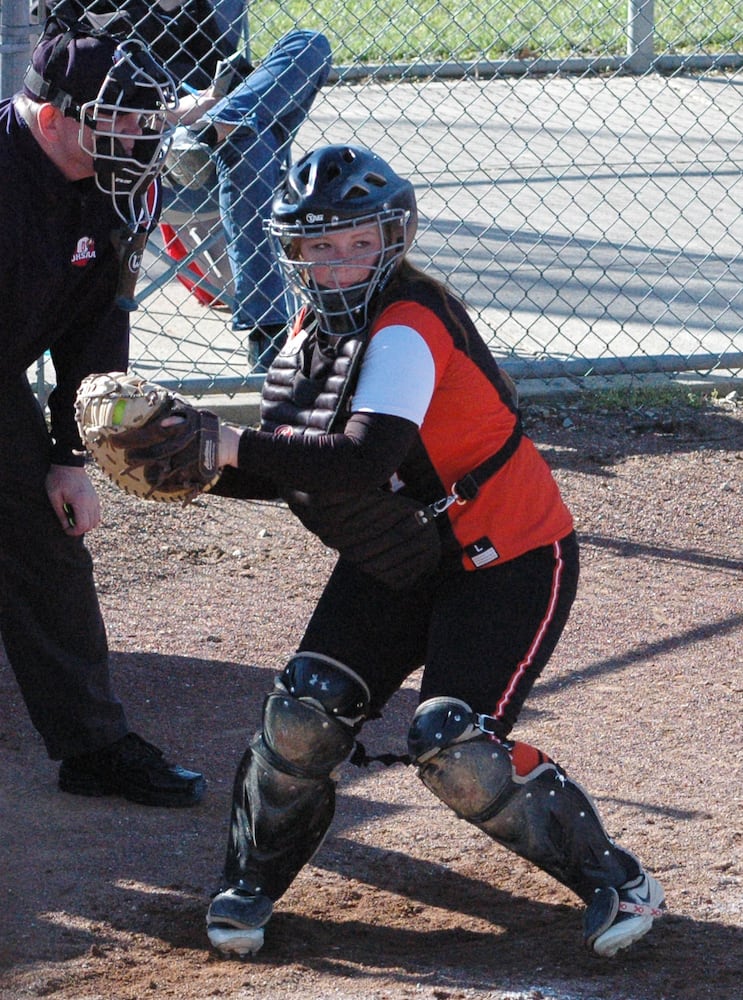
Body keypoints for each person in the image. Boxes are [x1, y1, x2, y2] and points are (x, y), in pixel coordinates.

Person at [180, 144, 663, 957]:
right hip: (400, 557)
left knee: (455, 743)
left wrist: (224, 446)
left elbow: (364, 458)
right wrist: (186, 466)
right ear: (291, 253)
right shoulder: (311, 330)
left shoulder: (409, 325)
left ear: (395, 239)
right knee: (304, 710)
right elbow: (301, 471)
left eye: (359, 242)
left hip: (506, 558)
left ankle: (614, 877)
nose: (340, 264)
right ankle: (250, 879)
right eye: (319, 246)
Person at [0, 11, 205, 806]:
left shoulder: (113, 186)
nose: (136, 138)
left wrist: (67, 454)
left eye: (145, 121)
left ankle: (94, 749)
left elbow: (95, 328)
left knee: (44, 540)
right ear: (50, 118)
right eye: (115, 121)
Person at [115, 1, 333, 370]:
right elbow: (107, 107)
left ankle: (223, 123)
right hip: (157, 156)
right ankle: (268, 335)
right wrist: (190, 108)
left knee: (310, 44)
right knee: (253, 143)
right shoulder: (112, 13)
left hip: (220, 143)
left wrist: (219, 107)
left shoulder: (211, 9)